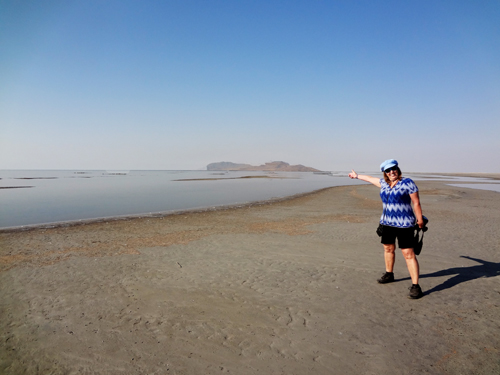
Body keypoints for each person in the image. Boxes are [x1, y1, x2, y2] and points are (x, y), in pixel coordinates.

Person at [348, 159, 425, 299]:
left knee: (408, 253)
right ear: (385, 173)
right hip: (387, 223)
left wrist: (419, 220)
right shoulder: (384, 183)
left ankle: (415, 286)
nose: (392, 172)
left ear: (398, 169)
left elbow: (416, 202)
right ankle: (389, 274)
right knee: (388, 249)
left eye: (394, 168)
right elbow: (370, 179)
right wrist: (357, 176)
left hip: (405, 224)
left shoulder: (407, 183)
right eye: (388, 170)